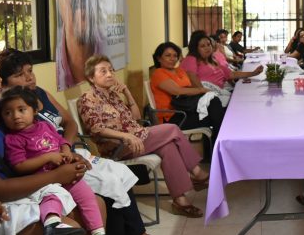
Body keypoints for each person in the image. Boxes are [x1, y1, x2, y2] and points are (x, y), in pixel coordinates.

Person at [0, 49, 151, 235]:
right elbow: (16, 166)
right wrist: (58, 172)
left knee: (112, 180)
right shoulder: (11, 117)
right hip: (41, 172)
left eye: (30, 70)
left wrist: (66, 148)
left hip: (62, 153)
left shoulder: (39, 97)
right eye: (19, 75)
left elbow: (69, 123)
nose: (28, 78)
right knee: (102, 191)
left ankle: (134, 232)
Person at [78, 55, 210, 218]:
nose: (110, 74)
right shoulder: (87, 99)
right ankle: (197, 173)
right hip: (118, 147)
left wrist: (127, 93)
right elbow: (96, 129)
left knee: (168, 147)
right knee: (172, 129)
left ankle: (180, 200)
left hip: (138, 137)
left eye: (111, 70)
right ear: (91, 77)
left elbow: (135, 117)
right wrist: (126, 136)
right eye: (103, 71)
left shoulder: (113, 95)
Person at [0, 87, 105, 235]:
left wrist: (67, 151)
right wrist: (48, 159)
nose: (16, 116)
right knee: (52, 196)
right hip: (43, 181)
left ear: (34, 111)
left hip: (62, 173)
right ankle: (52, 223)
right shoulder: (13, 138)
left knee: (90, 196)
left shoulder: (45, 126)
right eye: (8, 113)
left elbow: (60, 141)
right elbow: (19, 166)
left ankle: (98, 231)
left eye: (21, 110)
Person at [150, 41, 226, 145]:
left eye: (175, 56)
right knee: (217, 114)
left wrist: (200, 90)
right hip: (173, 117)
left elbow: (189, 88)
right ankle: (218, 147)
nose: (172, 59)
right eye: (168, 55)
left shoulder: (179, 71)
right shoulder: (158, 73)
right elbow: (178, 91)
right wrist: (201, 90)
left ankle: (217, 148)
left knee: (215, 107)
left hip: (187, 109)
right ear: (159, 58)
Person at [181, 31, 263, 89]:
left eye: (208, 44)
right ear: (195, 48)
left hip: (222, 91)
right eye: (202, 46)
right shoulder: (191, 59)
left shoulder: (212, 60)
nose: (207, 48)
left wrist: (253, 73)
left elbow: (231, 74)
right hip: (210, 99)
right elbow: (197, 87)